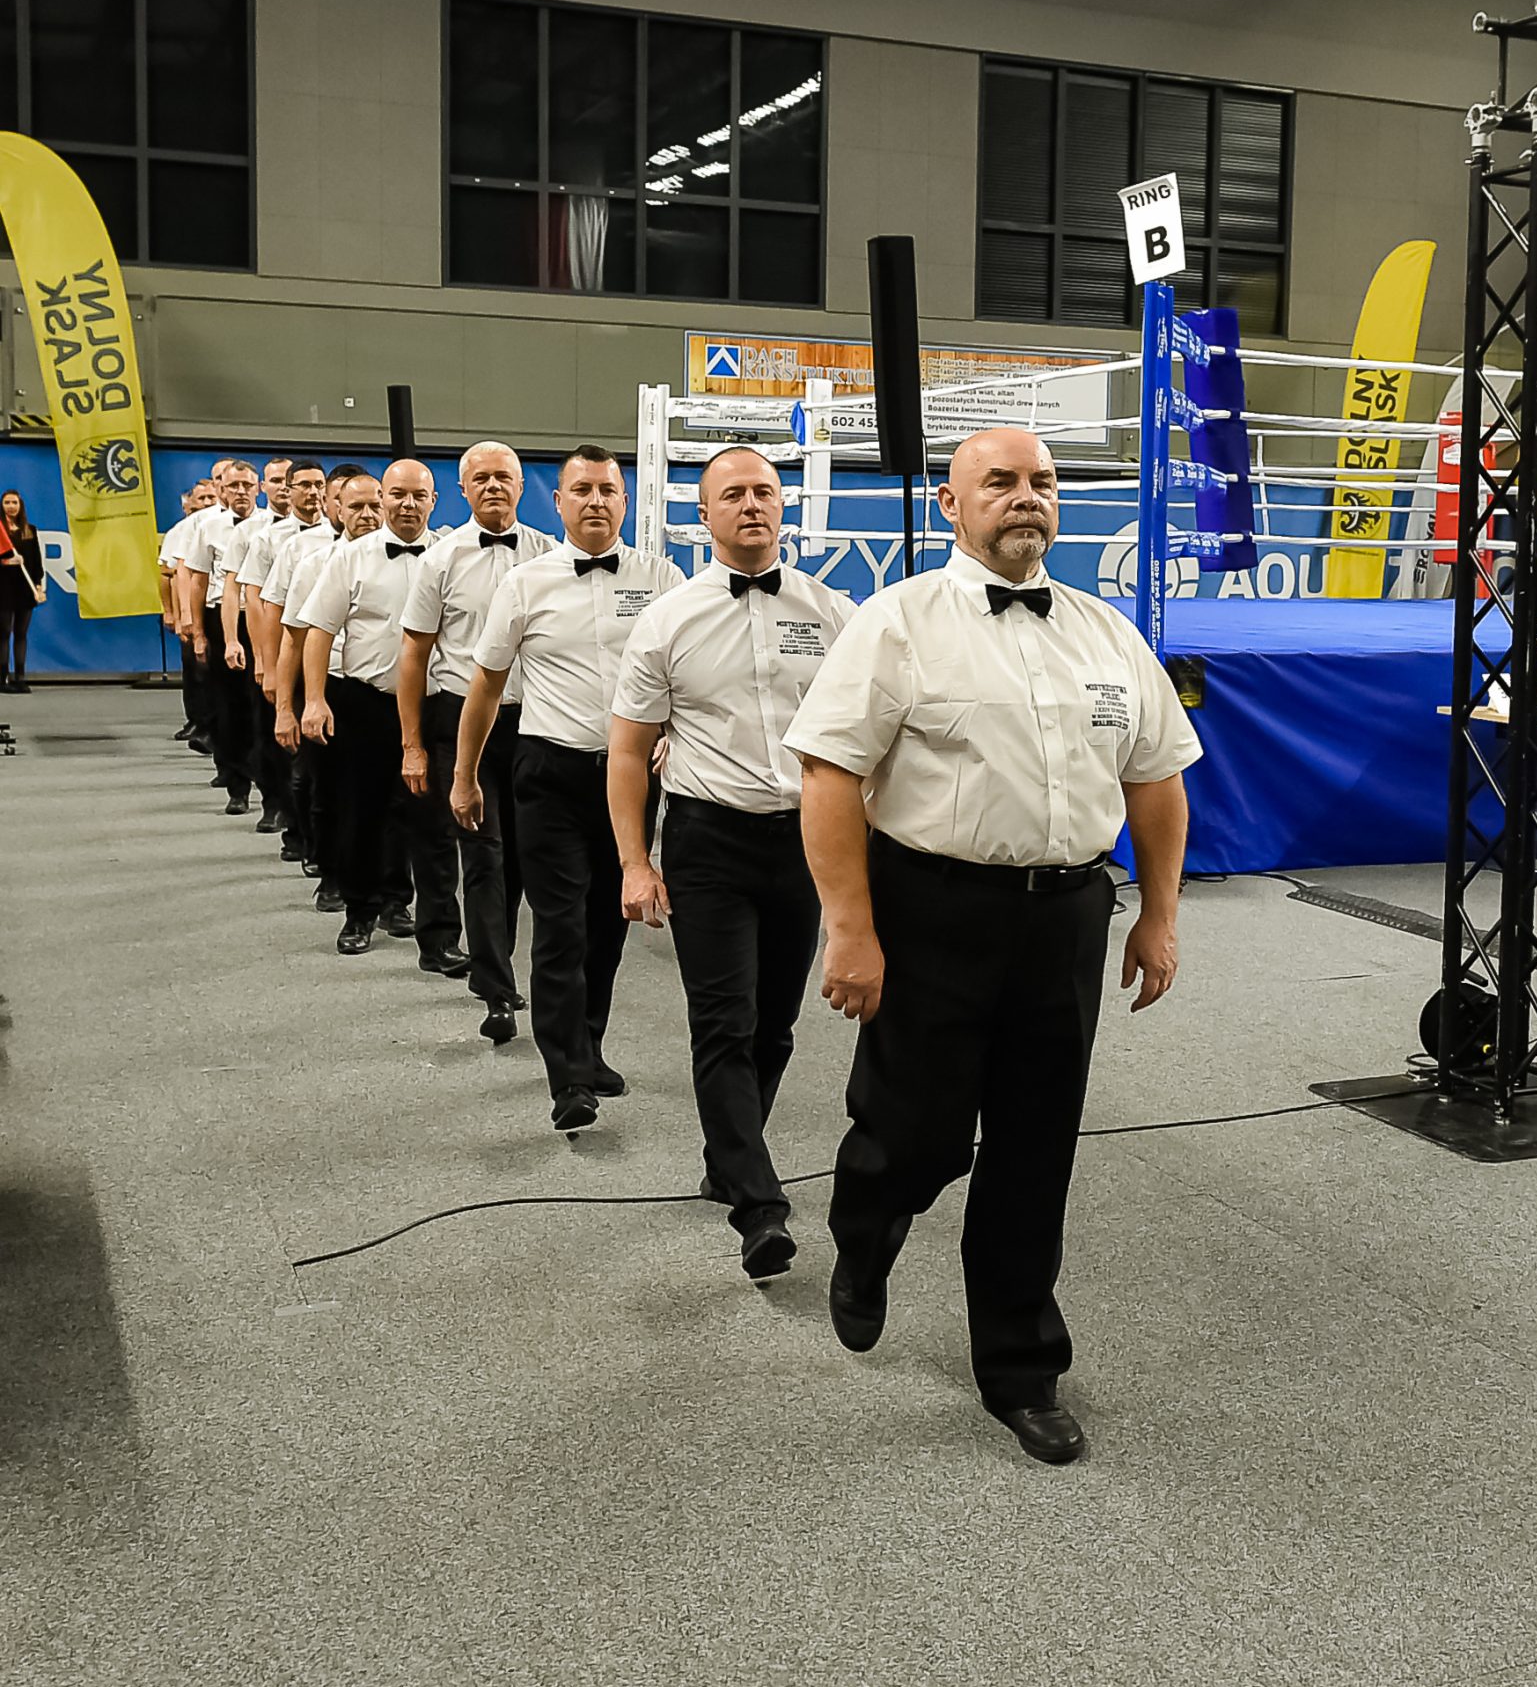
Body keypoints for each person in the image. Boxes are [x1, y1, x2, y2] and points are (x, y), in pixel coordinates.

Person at [784, 427, 1200, 1465]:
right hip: (931, 908)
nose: (1026, 497)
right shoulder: (896, 623)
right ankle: (866, 1224)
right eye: (1001, 482)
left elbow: (1155, 781)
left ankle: (1021, 1368)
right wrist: (849, 928)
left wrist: (1158, 914)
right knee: (917, 1133)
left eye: (1042, 482)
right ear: (951, 504)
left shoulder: (1107, 633)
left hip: (1066, 916)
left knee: (1035, 1148)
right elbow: (829, 778)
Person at [609, 446, 852, 1280]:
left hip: (802, 843)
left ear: (783, 507)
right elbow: (628, 750)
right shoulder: (668, 620)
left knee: (774, 1024)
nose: (752, 505)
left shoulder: (833, 612)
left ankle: (727, 1157)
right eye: (734, 494)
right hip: (707, 841)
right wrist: (635, 861)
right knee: (723, 1019)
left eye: (765, 492)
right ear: (703, 515)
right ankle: (758, 1205)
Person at [455, 445, 681, 1132]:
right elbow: (485, 686)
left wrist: (674, 731)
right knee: (559, 925)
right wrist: (464, 775)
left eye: (608, 489)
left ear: (625, 500)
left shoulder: (663, 578)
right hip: (549, 772)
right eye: (581, 490)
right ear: (558, 502)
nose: (595, 501)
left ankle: (589, 1042)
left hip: (631, 778)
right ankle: (568, 1076)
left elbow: (686, 673)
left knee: (609, 923)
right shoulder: (525, 583)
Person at [402, 443, 550, 1042]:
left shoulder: (548, 556)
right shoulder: (439, 560)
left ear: (521, 486)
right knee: (483, 856)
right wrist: (412, 744)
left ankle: (501, 966)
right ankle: (496, 989)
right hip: (460, 722)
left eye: (503, 477)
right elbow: (413, 655)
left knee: (520, 862)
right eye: (481, 478)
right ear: (462, 490)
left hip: (533, 724)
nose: (493, 486)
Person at [290, 491, 452, 965]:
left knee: (426, 817)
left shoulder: (450, 555)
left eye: (418, 496)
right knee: (362, 812)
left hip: (433, 703)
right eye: (398, 495)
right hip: (366, 701)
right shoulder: (350, 557)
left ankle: (410, 911)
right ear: (385, 501)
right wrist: (313, 699)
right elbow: (319, 631)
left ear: (434, 501)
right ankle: (359, 910)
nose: (408, 505)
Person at [274, 472, 384, 903]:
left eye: (374, 505)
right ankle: (333, 875)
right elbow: (293, 639)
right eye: (354, 506)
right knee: (330, 792)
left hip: (395, 693)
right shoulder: (315, 564)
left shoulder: (421, 558)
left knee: (393, 801)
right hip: (332, 689)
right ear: (336, 509)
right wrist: (287, 706)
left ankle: (392, 896)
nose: (367, 515)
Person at [235, 461, 329, 843]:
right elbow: (258, 603)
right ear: (289, 491)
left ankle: (311, 830)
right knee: (276, 738)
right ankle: (277, 808)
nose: (312, 492)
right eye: (303, 485)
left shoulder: (336, 537)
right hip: (283, 649)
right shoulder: (270, 540)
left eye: (318, 484)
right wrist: (266, 661)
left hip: (325, 656)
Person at [175, 460, 264, 810]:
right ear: (221, 490)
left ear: (258, 489)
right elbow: (197, 581)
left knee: (263, 703)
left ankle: (272, 790)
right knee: (227, 704)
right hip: (220, 618)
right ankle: (236, 784)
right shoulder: (206, 526)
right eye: (233, 486)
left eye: (247, 485)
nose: (241, 491)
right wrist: (197, 632)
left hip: (263, 617)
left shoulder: (272, 525)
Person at [163, 471, 227, 750]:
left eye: (211, 496)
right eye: (202, 498)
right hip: (203, 607)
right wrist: (179, 614)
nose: (208, 502)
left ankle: (216, 727)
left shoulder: (251, 523)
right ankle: (200, 722)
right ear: (188, 503)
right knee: (197, 670)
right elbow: (175, 574)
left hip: (233, 609)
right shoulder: (187, 529)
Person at [0, 490, 40, 693]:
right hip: (3, 589)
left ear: (20, 505)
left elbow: (37, 562)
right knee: (3, 633)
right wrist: (7, 562)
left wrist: (38, 586)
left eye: (14, 502)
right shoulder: (0, 531)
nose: (11, 506)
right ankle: (2, 679)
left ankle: (20, 677)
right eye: (7, 502)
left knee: (21, 633)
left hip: (25, 589)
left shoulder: (30, 530)